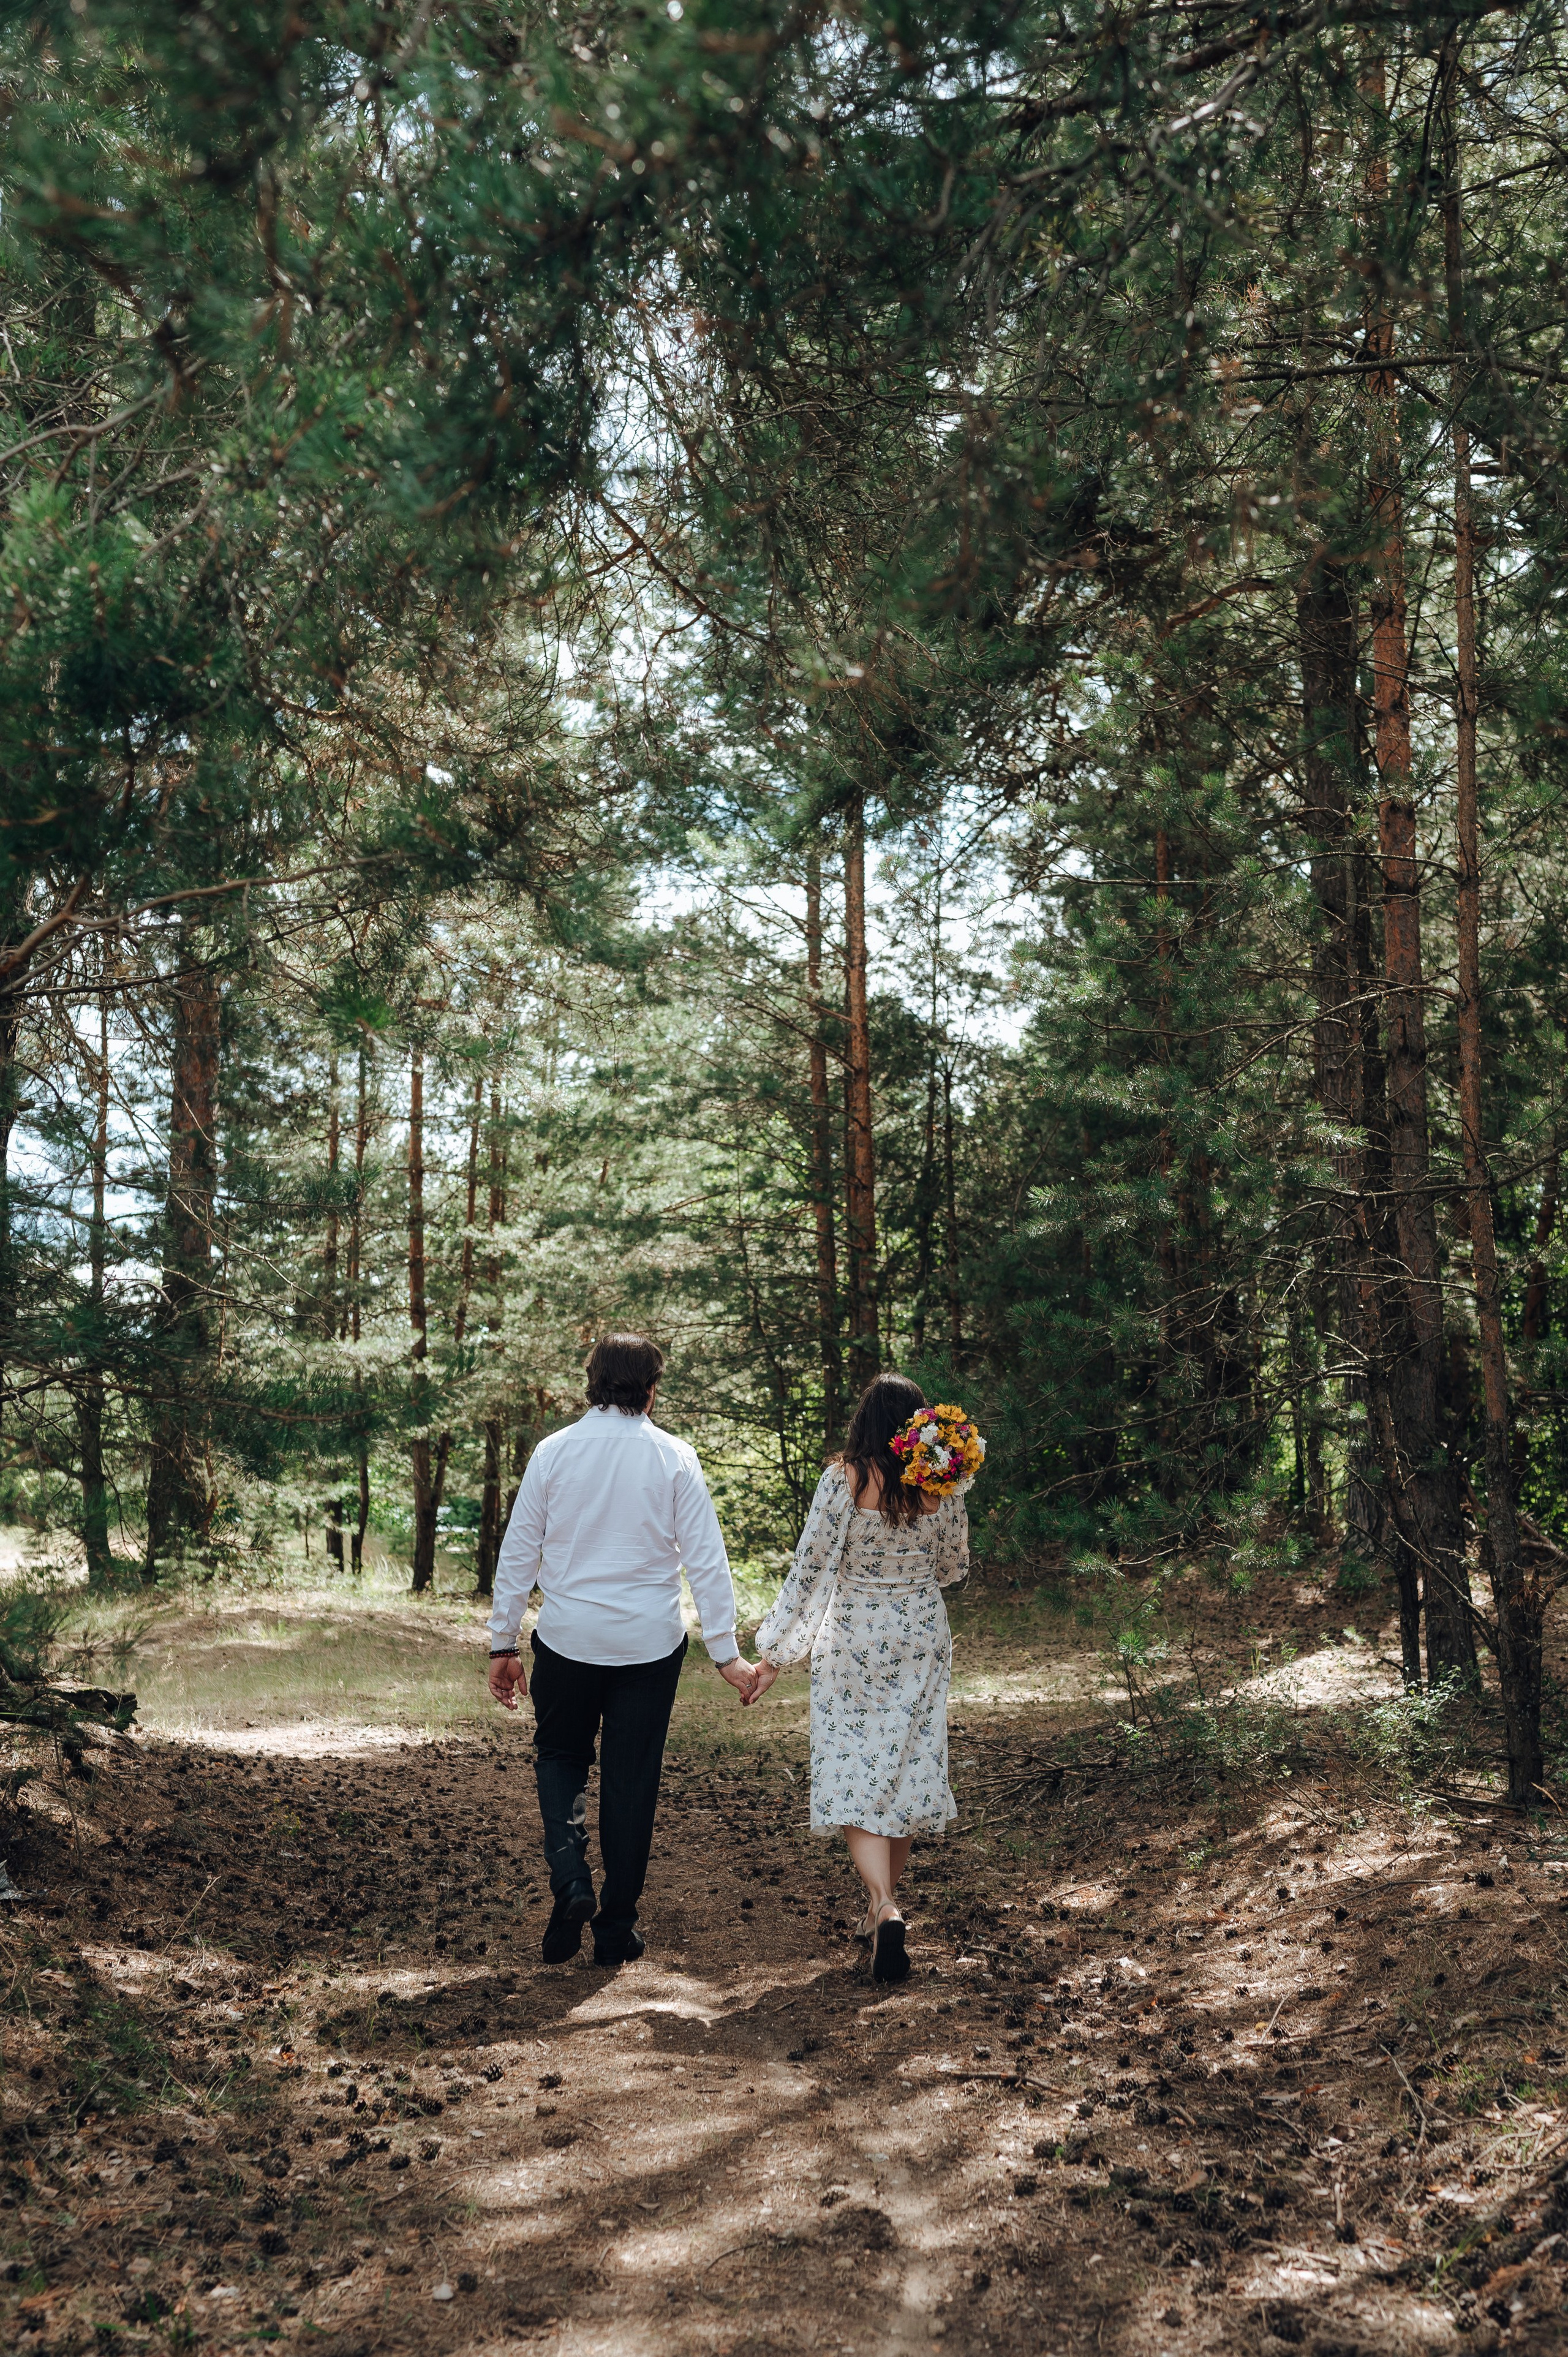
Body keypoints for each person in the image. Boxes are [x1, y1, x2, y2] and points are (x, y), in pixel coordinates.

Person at [487, 1333, 756, 1966]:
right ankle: (615, 1927)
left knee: (559, 1755)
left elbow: (519, 1549)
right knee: (632, 1780)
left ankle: (571, 1879)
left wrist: (504, 1639)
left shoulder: (553, 1452)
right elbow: (707, 1562)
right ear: (652, 1387)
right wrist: (725, 1651)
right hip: (648, 1643)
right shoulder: (674, 1457)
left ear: (592, 1381)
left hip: (569, 1638)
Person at [743, 1372, 968, 1983]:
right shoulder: (941, 1484)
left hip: (854, 1638)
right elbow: (953, 1567)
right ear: (918, 1423)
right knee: (900, 1764)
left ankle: (884, 1903)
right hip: (920, 1633)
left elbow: (810, 1570)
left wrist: (772, 1656)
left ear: (866, 1420)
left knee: (853, 1766)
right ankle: (879, 1909)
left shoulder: (842, 1479)